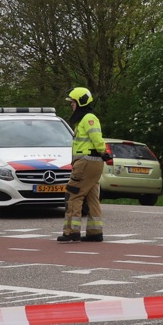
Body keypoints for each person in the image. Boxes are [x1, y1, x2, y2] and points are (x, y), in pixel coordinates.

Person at [60, 86, 110, 242]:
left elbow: (96, 138)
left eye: (73, 102)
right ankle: (95, 232)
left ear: (81, 102)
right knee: (92, 196)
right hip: (92, 162)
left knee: (74, 195)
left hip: (86, 162)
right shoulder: (84, 119)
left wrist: (103, 152)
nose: (71, 105)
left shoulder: (88, 118)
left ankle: (71, 231)